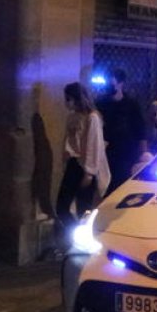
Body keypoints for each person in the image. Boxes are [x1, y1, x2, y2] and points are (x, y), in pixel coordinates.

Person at [55, 82, 109, 241]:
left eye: (69, 99)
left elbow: (93, 145)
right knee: (62, 207)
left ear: (78, 99)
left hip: (84, 166)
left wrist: (89, 172)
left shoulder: (91, 117)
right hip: (73, 164)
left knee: (83, 208)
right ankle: (77, 236)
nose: (66, 103)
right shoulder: (72, 117)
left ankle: (84, 241)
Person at [96, 69, 148, 193]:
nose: (109, 87)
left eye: (112, 84)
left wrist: (143, 153)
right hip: (108, 152)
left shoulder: (131, 104)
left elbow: (140, 130)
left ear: (121, 83)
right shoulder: (101, 104)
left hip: (127, 153)